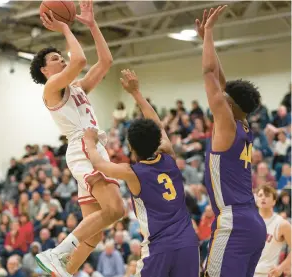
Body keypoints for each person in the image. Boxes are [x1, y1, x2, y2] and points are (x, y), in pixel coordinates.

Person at [30, 1, 125, 276]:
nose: (61, 58)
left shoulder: (77, 87)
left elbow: (105, 61)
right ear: (46, 71)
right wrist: (63, 27)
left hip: (92, 148)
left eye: (61, 56)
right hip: (84, 148)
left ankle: (63, 269)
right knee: (115, 208)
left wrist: (92, 25)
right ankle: (56, 252)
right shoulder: (51, 88)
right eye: (55, 59)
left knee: (93, 236)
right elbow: (80, 60)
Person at [83, 69, 199, 277]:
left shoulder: (133, 172)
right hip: (188, 243)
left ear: (131, 147)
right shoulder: (168, 155)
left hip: (159, 247)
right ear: (156, 141)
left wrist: (89, 141)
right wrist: (136, 93)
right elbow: (156, 123)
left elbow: (99, 163)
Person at [196, 6, 267, 277]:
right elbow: (224, 85)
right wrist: (207, 42)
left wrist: (210, 34)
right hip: (252, 223)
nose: (220, 98)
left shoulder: (226, 124)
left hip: (234, 221)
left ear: (230, 105)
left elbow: (209, 75)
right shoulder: (243, 123)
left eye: (225, 98)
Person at [254, 185, 291, 277]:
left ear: (274, 201)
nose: (263, 197)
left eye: (267, 195)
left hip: (267, 274)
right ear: (256, 200)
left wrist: (281, 267)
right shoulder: (248, 222)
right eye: (260, 195)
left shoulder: (281, 224)